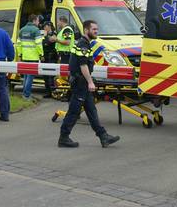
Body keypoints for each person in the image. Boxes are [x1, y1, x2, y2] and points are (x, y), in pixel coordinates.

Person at [58, 20, 120, 148]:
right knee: (74, 111)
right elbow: (83, 65)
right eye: (94, 29)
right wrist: (90, 82)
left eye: (97, 29)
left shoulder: (85, 43)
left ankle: (103, 136)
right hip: (80, 83)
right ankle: (63, 137)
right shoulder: (83, 44)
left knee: (91, 110)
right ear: (86, 30)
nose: (96, 31)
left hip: (82, 83)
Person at [18, 14, 43, 100]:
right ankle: (26, 95)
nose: (39, 22)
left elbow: (18, 44)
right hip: (33, 57)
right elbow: (39, 44)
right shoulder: (36, 30)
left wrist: (20, 55)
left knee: (26, 76)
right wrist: (41, 54)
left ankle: (25, 94)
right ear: (34, 20)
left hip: (24, 57)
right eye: (38, 20)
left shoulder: (22, 30)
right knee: (30, 77)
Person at [41, 22, 58, 98]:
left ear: (49, 26)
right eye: (44, 27)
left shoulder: (53, 33)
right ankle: (48, 92)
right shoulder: (45, 34)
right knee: (45, 75)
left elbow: (48, 42)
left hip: (51, 57)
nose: (44, 28)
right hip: (45, 57)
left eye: (45, 26)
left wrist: (45, 38)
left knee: (51, 75)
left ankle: (53, 92)